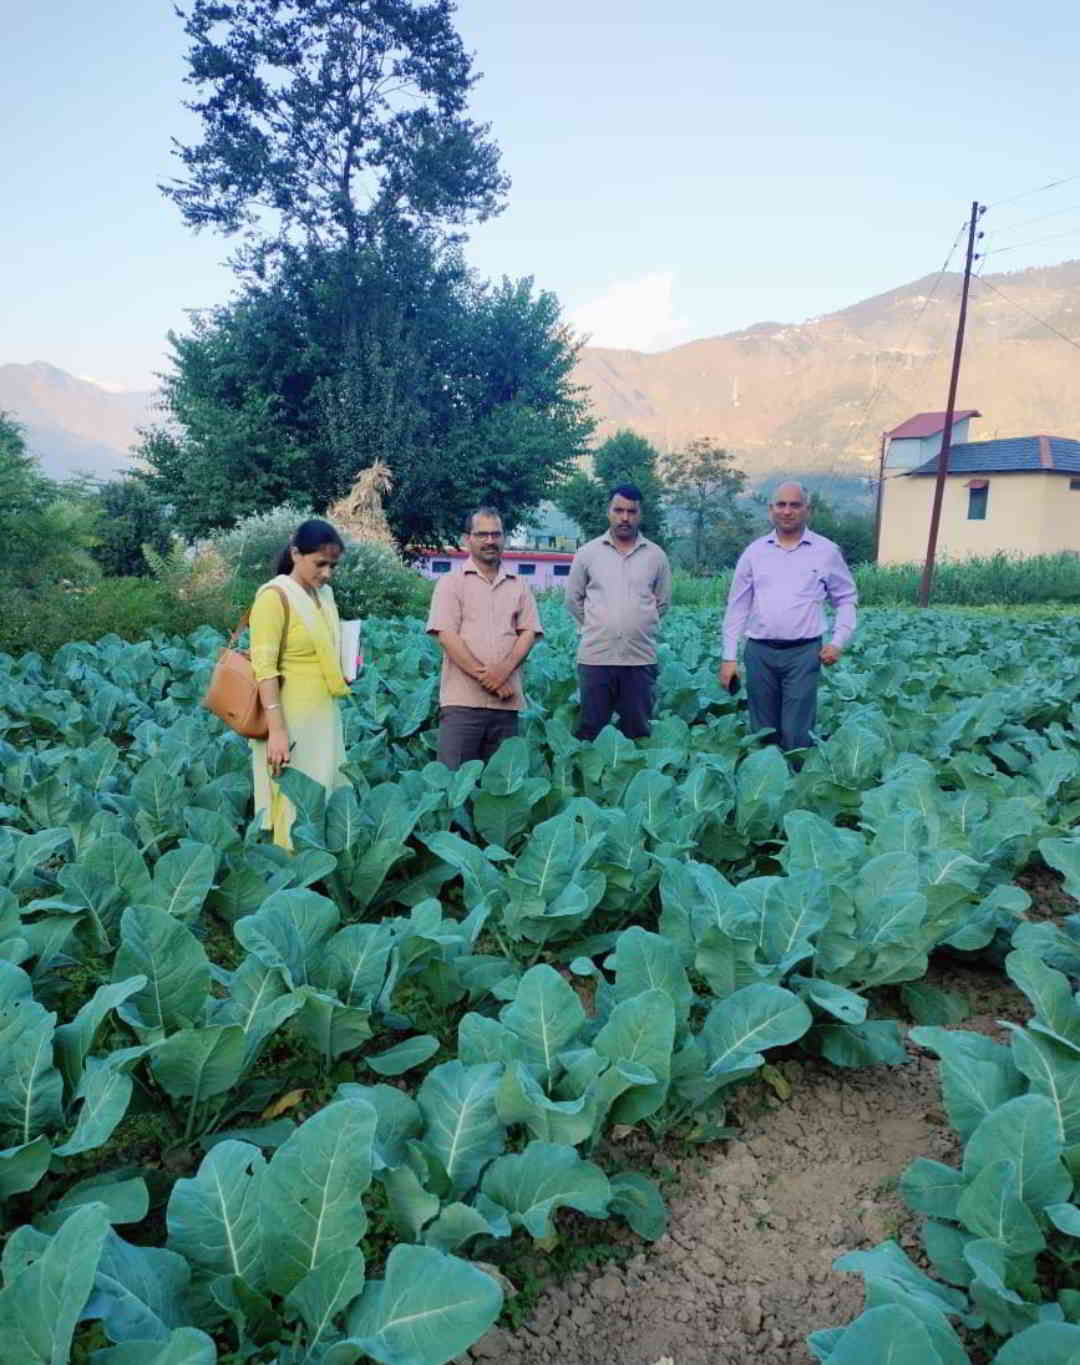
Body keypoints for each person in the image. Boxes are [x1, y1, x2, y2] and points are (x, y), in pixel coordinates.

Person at [720, 481, 857, 752]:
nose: (787, 511)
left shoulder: (826, 551)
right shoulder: (754, 552)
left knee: (797, 733)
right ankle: (766, 786)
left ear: (807, 510)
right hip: (759, 652)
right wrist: (729, 657)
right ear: (771, 510)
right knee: (762, 731)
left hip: (804, 653)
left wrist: (839, 641)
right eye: (781, 505)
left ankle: (797, 784)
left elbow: (846, 599)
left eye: (795, 505)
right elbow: (737, 606)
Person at [250, 518, 349, 849]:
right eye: (320, 563)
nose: (327, 573)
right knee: (294, 798)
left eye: (333, 565)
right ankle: (292, 881)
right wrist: (277, 730)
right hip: (290, 719)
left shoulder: (324, 596)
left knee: (324, 791)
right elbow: (264, 669)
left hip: (324, 714)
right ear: (296, 553)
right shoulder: (274, 597)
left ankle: (319, 878)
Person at [426, 507, 543, 770]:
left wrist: (502, 671)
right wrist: (489, 678)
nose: (490, 541)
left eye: (496, 534)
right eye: (482, 534)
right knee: (454, 784)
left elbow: (528, 632)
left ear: (504, 538)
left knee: (502, 786)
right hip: (462, 704)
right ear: (467, 538)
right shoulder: (451, 583)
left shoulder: (519, 585)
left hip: (506, 705)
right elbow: (447, 636)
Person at [565, 484, 673, 741]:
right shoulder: (587, 553)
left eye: (631, 511)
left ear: (640, 514)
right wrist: (597, 626)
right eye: (619, 510)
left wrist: (638, 623)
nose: (625, 517)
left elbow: (663, 602)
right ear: (609, 512)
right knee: (591, 730)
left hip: (639, 660)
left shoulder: (656, 556)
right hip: (596, 659)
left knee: (637, 731)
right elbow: (573, 599)